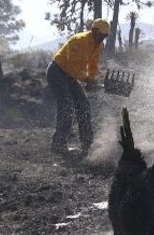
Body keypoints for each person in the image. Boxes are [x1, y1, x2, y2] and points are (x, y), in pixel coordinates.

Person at [47, 18, 110, 155]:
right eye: (101, 35)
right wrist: (86, 79)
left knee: (84, 105)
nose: (102, 38)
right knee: (66, 107)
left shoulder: (98, 46)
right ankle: (58, 144)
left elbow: (93, 65)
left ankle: (87, 145)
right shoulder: (78, 40)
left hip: (70, 76)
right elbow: (72, 66)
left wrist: (91, 80)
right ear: (93, 31)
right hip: (57, 71)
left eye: (105, 36)